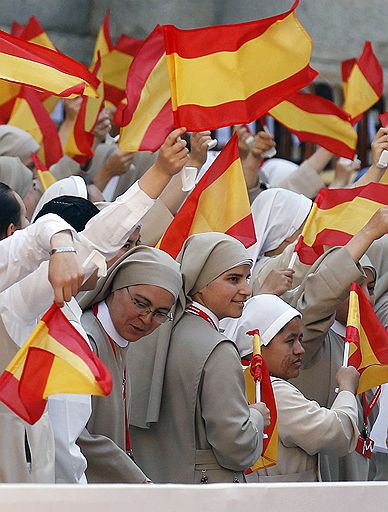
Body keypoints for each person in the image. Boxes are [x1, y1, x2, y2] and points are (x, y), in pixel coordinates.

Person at [129, 232, 268, 484]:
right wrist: (257, 416)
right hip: (206, 494)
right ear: (202, 281)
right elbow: (236, 447)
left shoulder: (153, 333)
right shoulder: (218, 349)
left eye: (246, 278)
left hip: (151, 488)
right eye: (233, 279)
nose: (246, 290)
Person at [287, 207, 388, 481]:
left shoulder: (365, 341)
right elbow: (319, 298)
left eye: (371, 286)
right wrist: (368, 233)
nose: (365, 295)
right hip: (322, 478)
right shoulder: (305, 339)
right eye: (354, 286)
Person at [223, 294, 360, 482]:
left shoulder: (230, 379)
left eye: (300, 339)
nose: (300, 350)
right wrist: (347, 389)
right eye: (290, 341)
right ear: (257, 346)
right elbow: (336, 433)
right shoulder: (273, 392)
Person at [77, 246, 182, 483]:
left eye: (160, 314)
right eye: (141, 303)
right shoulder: (86, 340)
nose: (146, 319)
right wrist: (137, 481)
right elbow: (72, 434)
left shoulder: (118, 339)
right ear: (115, 285)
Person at [248, 188, 312, 295]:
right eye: (307, 228)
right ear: (287, 234)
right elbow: (302, 252)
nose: (307, 233)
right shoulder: (262, 272)